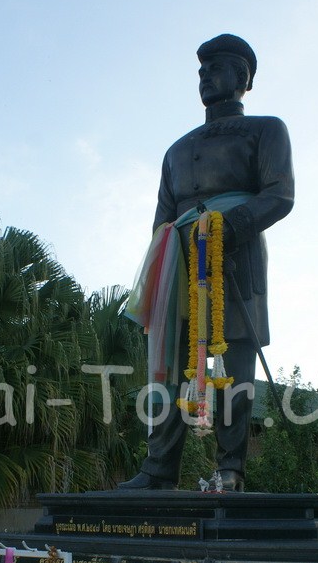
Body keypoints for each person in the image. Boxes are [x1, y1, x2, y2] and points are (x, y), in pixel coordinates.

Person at [118, 33, 294, 492]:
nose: (204, 77)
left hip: (234, 252)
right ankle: (159, 468)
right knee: (169, 363)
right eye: (200, 71)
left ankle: (230, 468)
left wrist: (230, 226)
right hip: (178, 263)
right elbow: (161, 219)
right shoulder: (177, 150)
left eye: (215, 69)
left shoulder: (266, 129)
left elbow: (280, 195)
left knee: (234, 363)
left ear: (242, 76)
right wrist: (163, 261)